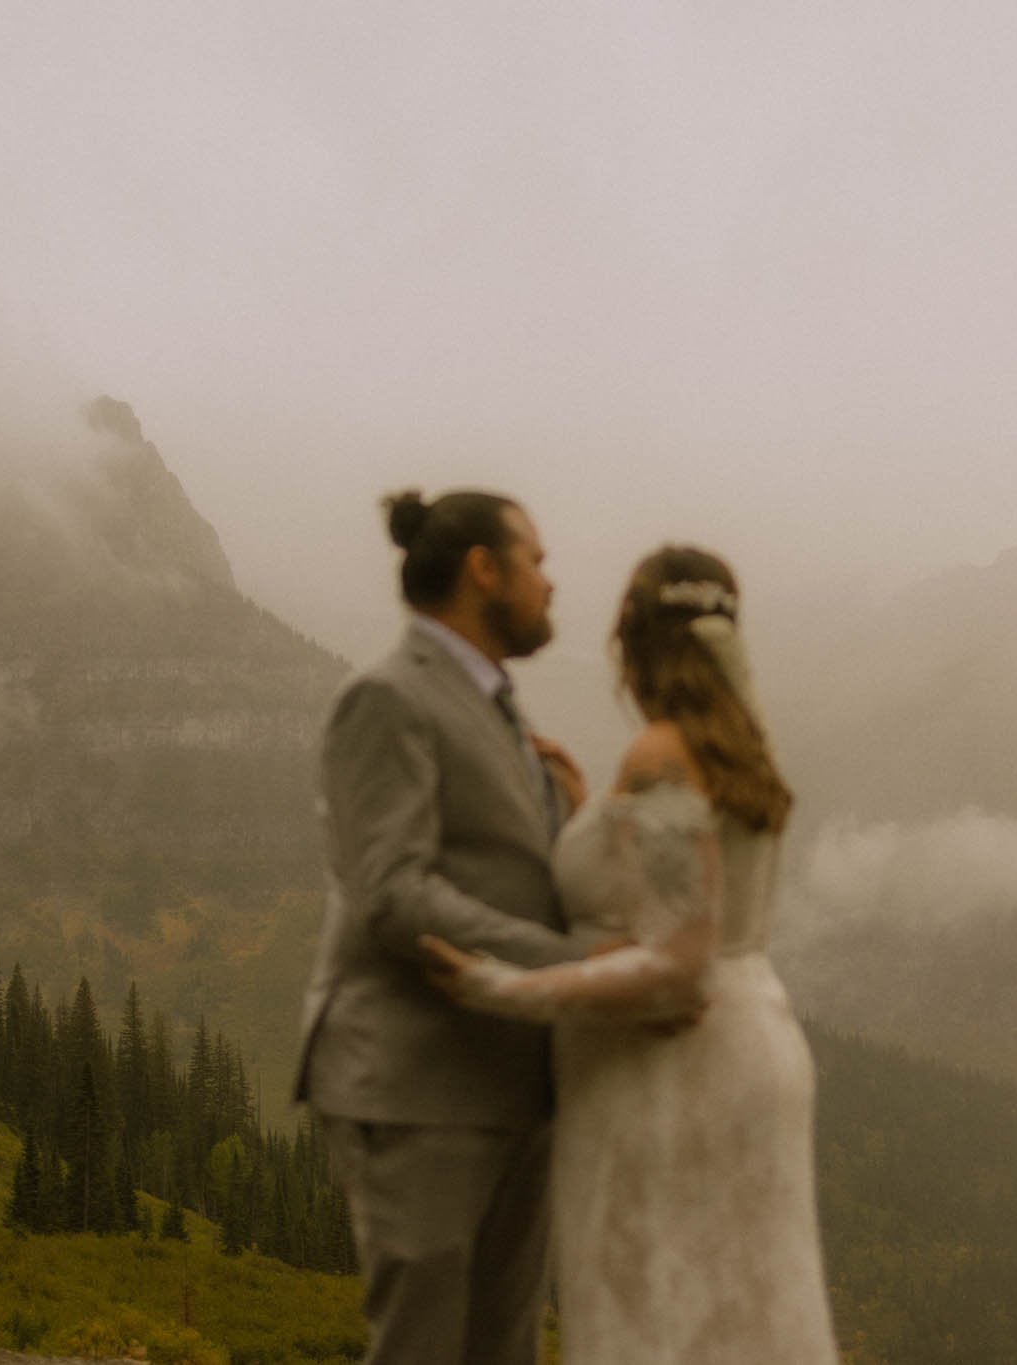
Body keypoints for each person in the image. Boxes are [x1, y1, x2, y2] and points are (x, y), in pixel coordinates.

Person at [422, 545, 842, 1365]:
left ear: (635, 644)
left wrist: (497, 984)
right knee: (743, 1318)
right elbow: (694, 904)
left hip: (668, 1077)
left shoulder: (662, 754)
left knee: (654, 1316)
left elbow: (677, 968)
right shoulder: (744, 747)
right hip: (755, 1045)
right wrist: (594, 815)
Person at [293, 488, 593, 1365]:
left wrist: (569, 821)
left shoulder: (498, 704)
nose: (550, 581)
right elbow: (391, 891)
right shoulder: (385, 698)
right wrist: (570, 969)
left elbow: (490, 869)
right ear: (481, 568)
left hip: (510, 1079)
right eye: (535, 559)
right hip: (417, 1084)